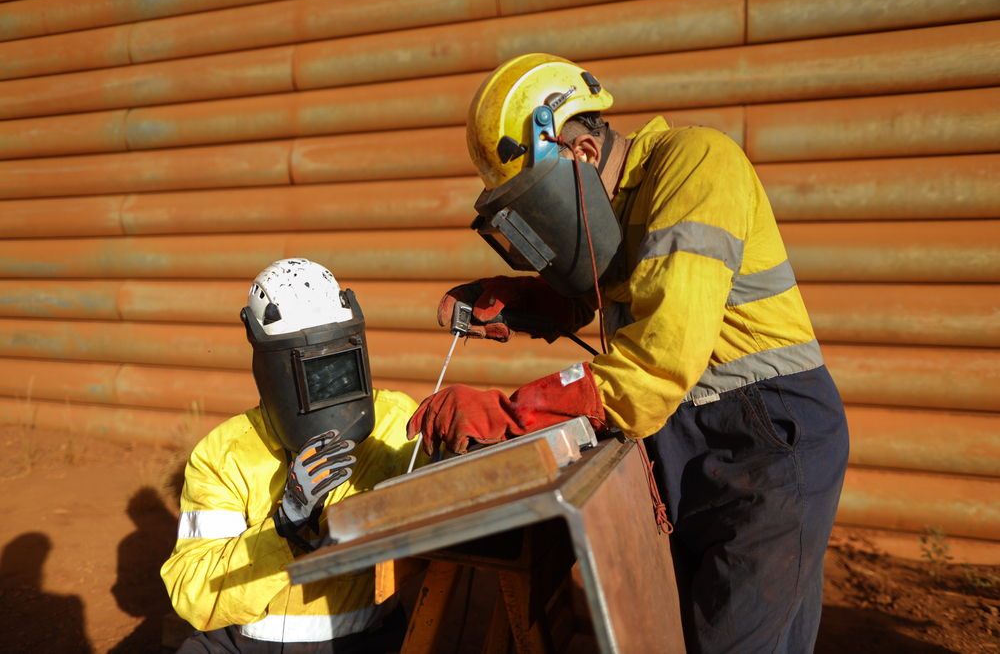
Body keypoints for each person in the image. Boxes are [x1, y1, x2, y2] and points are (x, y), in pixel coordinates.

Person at [407, 54, 850, 653]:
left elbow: (658, 360)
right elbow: (626, 286)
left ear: (583, 155)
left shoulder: (697, 164)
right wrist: (533, 300)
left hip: (765, 441)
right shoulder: (620, 207)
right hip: (695, 438)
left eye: (536, 207)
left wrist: (512, 413)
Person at [162, 258, 424, 654]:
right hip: (247, 644)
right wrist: (285, 524)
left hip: (366, 641)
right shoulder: (225, 453)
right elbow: (194, 592)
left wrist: (453, 447)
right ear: (270, 366)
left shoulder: (398, 423)